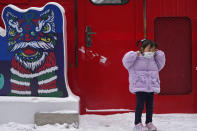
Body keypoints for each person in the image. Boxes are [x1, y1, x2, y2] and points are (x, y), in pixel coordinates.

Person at [122, 39, 166, 131]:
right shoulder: (135, 58)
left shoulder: (154, 59)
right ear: (142, 49)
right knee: (140, 106)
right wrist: (134, 54)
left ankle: (149, 122)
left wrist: (159, 53)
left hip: (151, 87)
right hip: (140, 86)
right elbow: (125, 61)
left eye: (153, 50)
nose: (151, 52)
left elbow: (161, 63)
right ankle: (137, 123)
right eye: (149, 49)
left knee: (150, 106)